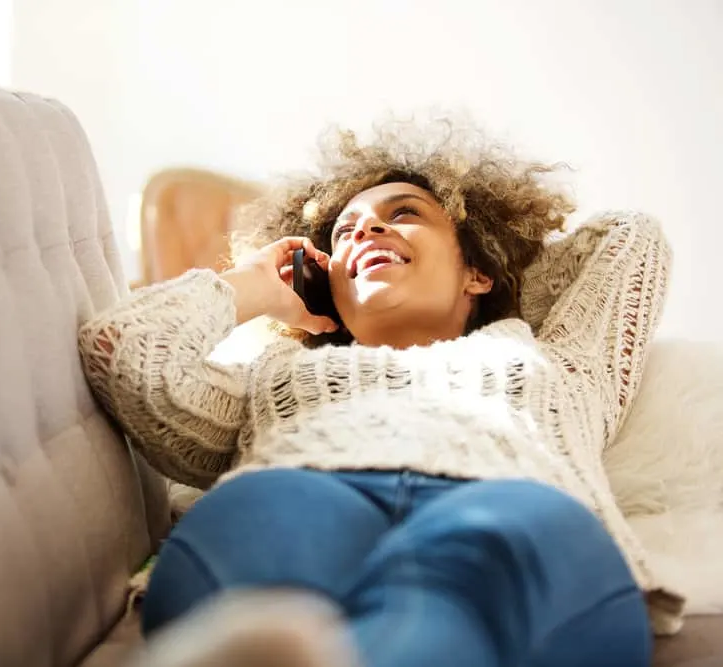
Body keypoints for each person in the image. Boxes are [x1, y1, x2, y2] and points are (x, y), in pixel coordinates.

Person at [78, 118, 683, 667]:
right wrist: (256, 286)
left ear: (478, 271)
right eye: (343, 234)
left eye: (405, 213)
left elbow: (630, 238)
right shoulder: (274, 372)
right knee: (271, 570)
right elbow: (124, 351)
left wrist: (498, 260)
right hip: (300, 487)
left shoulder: (563, 359)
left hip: (507, 498)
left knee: (474, 568)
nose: (365, 227)